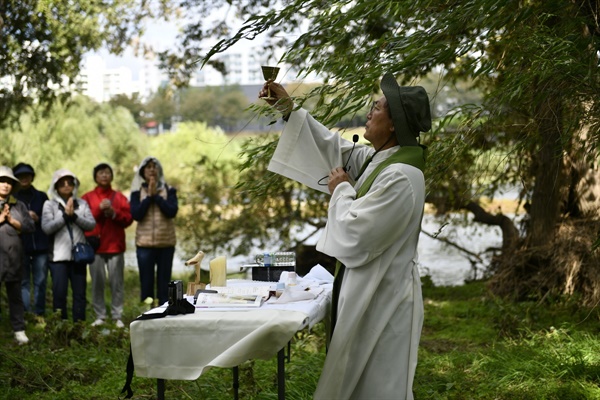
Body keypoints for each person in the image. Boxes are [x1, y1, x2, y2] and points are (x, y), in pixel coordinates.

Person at [260, 72, 431, 400]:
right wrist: (288, 110)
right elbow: (331, 148)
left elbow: (356, 233)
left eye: (377, 108)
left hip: (386, 298)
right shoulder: (380, 161)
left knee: (381, 385)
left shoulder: (402, 177)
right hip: (370, 290)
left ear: (394, 124)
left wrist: (341, 191)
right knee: (357, 380)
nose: (369, 113)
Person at [82, 163, 133, 328]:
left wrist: (114, 213)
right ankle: (100, 316)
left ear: (111, 176)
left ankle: (117, 315)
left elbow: (128, 219)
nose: (104, 175)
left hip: (115, 246)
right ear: (95, 177)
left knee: (116, 282)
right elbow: (83, 219)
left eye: (107, 173)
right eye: (100, 173)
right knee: (97, 282)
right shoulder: (87, 197)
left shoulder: (119, 198)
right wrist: (98, 210)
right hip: (95, 246)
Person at [42, 169, 95, 322]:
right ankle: (61, 327)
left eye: (69, 182)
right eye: (62, 183)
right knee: (59, 294)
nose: (66, 185)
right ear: (55, 186)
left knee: (80, 295)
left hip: (79, 256)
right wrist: (65, 216)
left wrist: (75, 216)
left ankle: (79, 326)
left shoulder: (82, 203)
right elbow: (46, 228)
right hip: (58, 257)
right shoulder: (49, 204)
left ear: (74, 184)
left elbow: (91, 224)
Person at [130, 157, 178, 306]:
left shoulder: (169, 190)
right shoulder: (136, 193)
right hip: (144, 245)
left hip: (166, 244)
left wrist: (156, 196)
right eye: (148, 167)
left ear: (159, 170)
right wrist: (148, 197)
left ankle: (164, 314)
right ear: (142, 172)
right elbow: (136, 214)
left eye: (154, 167)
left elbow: (172, 211)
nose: (151, 169)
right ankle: (147, 315)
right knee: (146, 283)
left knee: (164, 285)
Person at [0, 166, 35, 344]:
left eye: (8, 182)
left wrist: (13, 222)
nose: (5, 185)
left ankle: (19, 330)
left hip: (14, 258)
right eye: (2, 181)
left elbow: (30, 226)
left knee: (15, 295)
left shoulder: (18, 205)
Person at [13, 163, 50, 319]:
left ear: (32, 177)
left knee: (41, 281)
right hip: (21, 246)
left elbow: (49, 219)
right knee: (23, 282)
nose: (24, 178)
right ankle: (27, 314)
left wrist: (38, 218)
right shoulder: (13, 199)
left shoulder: (41, 196)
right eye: (20, 176)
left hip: (41, 245)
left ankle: (39, 313)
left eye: (27, 175)